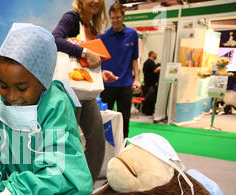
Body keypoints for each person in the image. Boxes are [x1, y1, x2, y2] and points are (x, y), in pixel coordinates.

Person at [0, 23, 93, 195]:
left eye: (22, 88)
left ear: (44, 82)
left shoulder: (55, 106)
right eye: (4, 85)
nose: (11, 96)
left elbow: (60, 174)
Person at [52, 0, 117, 183]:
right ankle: (65, 188)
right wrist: (84, 52)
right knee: (69, 143)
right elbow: (54, 39)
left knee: (97, 142)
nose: (95, 1)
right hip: (69, 94)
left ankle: (86, 189)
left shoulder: (92, 27)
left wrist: (100, 74)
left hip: (86, 95)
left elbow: (84, 65)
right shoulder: (72, 18)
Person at [99, 1, 140, 139]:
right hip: (107, 85)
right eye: (113, 18)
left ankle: (123, 146)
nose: (115, 21)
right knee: (105, 119)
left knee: (124, 119)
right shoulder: (102, 36)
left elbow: (135, 59)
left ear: (123, 16)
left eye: (118, 17)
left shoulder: (132, 34)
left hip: (125, 85)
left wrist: (137, 79)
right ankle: (106, 147)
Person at [142, 50, 161, 116]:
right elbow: (155, 70)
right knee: (150, 98)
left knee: (148, 97)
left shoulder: (146, 62)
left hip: (147, 83)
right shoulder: (150, 62)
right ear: (152, 54)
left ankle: (145, 110)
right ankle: (148, 111)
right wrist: (161, 67)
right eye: (155, 54)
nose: (156, 56)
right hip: (150, 84)